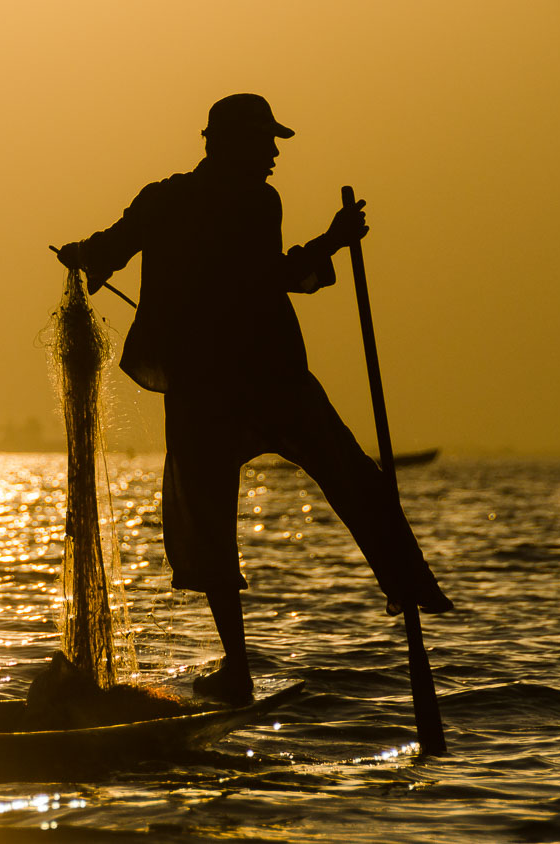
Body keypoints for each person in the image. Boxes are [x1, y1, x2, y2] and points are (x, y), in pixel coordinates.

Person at [55, 93, 452, 704]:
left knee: (211, 523)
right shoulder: (253, 201)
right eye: (265, 142)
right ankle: (405, 587)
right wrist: (333, 242)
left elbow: (105, 249)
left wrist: (79, 256)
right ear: (231, 143)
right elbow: (278, 278)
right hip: (265, 378)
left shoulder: (163, 200)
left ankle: (240, 667)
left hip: (208, 387)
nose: (273, 155)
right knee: (345, 475)